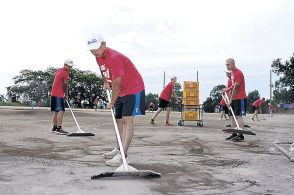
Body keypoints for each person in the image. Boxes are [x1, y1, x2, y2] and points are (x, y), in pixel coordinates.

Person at [87, 34, 145, 167]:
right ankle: (118, 148)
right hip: (121, 89)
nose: (94, 52)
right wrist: (105, 82)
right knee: (118, 119)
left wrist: (111, 102)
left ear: (104, 44)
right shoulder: (98, 57)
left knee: (126, 120)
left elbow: (117, 84)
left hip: (133, 88)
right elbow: (103, 71)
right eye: (91, 50)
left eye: (96, 48)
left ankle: (123, 155)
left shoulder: (114, 58)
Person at [224, 58, 247, 142]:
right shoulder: (232, 73)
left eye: (228, 64)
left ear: (233, 64)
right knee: (232, 116)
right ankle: (234, 133)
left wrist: (230, 100)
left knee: (238, 116)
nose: (227, 66)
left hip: (240, 98)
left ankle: (240, 135)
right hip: (234, 98)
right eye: (226, 65)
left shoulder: (238, 73)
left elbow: (236, 88)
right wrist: (225, 90)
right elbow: (232, 86)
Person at [50, 59, 74, 135]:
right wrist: (66, 94)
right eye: (69, 66)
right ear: (65, 65)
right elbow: (66, 85)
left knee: (56, 111)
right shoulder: (65, 72)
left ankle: (54, 127)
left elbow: (54, 75)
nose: (70, 68)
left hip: (53, 92)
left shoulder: (59, 70)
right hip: (58, 94)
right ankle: (58, 128)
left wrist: (59, 79)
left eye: (71, 67)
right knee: (61, 111)